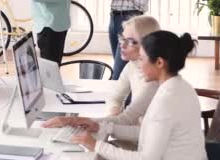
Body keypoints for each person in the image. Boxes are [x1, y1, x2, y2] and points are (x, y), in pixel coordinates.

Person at [44, 30, 207, 160]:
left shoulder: (167, 100)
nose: (139, 65)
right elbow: (146, 133)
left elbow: (145, 158)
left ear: (159, 62)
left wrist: (96, 145)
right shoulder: (180, 87)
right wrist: (102, 127)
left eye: (142, 59)